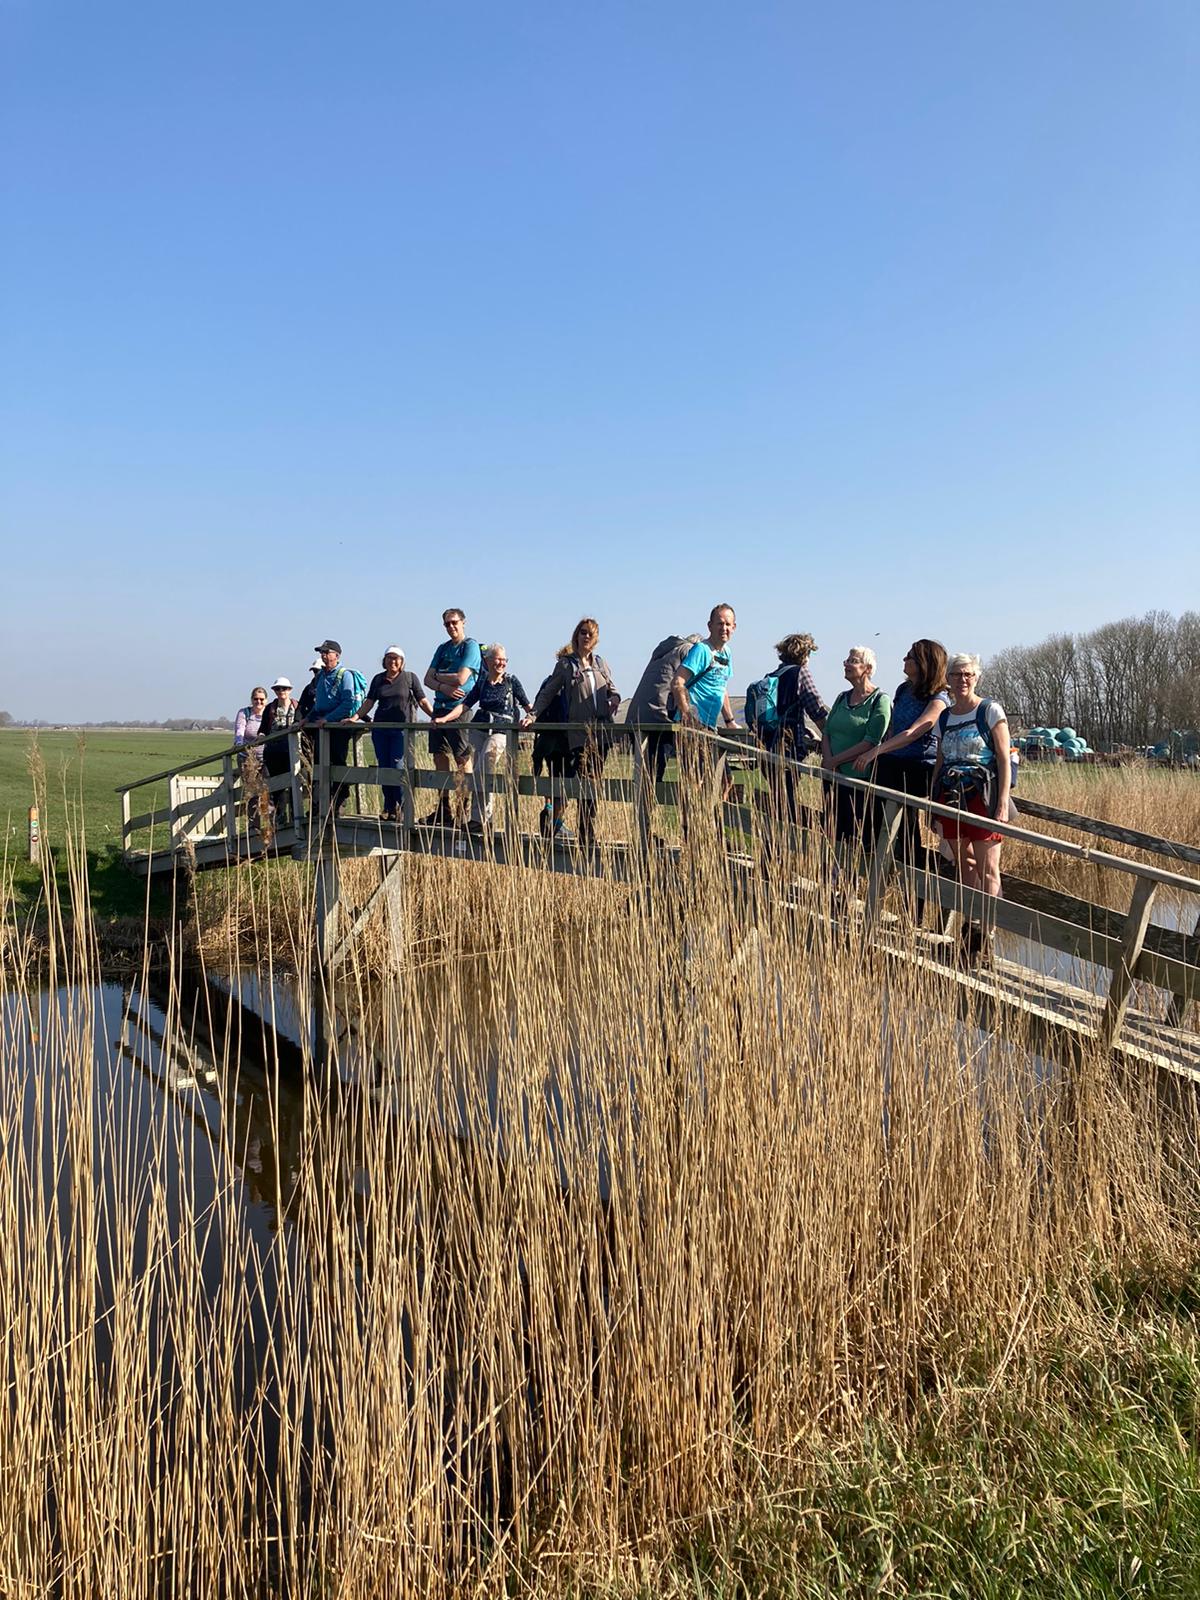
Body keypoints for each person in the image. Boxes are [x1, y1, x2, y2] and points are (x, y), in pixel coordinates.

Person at [852, 639, 950, 902]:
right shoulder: (903, 690)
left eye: (910, 657)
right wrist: (881, 751)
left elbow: (914, 732)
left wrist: (875, 751)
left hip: (917, 767)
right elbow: (895, 729)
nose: (904, 661)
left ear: (924, 663)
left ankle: (914, 902)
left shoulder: (938, 698)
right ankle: (874, 890)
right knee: (877, 827)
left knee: (907, 834)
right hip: (893, 763)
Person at [931, 653, 1011, 912]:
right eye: (956, 674)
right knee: (963, 866)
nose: (962, 679)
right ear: (948, 679)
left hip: (981, 796)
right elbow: (940, 762)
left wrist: (1001, 805)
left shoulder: (989, 711)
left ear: (977, 677)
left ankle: (988, 931)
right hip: (951, 796)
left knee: (988, 868)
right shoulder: (945, 717)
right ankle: (969, 927)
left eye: (968, 674)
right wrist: (933, 803)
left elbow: (1003, 759)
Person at [532, 618, 620, 845]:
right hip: (578, 733)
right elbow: (549, 692)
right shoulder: (566, 664)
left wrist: (615, 698)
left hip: (601, 732)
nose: (587, 637)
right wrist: (532, 715)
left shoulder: (600, 663)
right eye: (583, 632)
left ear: (596, 638)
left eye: (591, 633)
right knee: (584, 782)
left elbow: (612, 688)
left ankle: (585, 832)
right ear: (576, 635)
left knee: (594, 783)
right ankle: (574, 831)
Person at [432, 643, 533, 832]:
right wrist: (445, 718)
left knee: (483, 767)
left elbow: (528, 705)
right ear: (487, 661)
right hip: (480, 731)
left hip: (500, 732)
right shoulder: (483, 682)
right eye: (498, 659)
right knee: (480, 773)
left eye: (504, 660)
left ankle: (482, 819)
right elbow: (466, 705)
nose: (501, 663)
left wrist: (531, 718)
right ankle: (481, 819)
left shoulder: (511, 682)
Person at [670, 605, 739, 837]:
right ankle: (692, 833)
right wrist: (687, 712)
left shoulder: (726, 654)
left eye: (728, 624)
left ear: (735, 627)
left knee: (724, 780)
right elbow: (678, 682)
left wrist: (729, 720)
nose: (724, 628)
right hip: (693, 726)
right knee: (695, 782)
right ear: (709, 626)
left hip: (710, 727)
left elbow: (723, 688)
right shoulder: (702, 650)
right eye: (719, 623)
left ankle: (708, 828)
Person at [821, 646, 891, 854]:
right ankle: (831, 878)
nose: (846, 664)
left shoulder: (880, 700)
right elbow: (827, 731)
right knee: (830, 828)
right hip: (832, 776)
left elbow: (871, 741)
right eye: (847, 660)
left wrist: (835, 761)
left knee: (853, 834)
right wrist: (828, 761)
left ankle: (849, 881)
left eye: (852, 661)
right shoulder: (842, 697)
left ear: (867, 668)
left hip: (858, 780)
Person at [421, 609, 483, 828]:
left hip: (460, 710)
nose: (451, 627)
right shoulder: (442, 648)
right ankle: (443, 808)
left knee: (462, 759)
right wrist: (443, 686)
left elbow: (462, 678)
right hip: (439, 708)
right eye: (446, 624)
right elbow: (426, 679)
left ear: (463, 622)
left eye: (454, 622)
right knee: (439, 757)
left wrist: (438, 677)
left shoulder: (470, 646)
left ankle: (463, 809)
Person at [356, 648, 433, 821]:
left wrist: (435, 717)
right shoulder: (378, 679)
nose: (393, 662)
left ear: (402, 661)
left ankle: (403, 807)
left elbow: (422, 700)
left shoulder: (409, 678)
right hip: (380, 729)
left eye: (397, 658)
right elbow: (369, 702)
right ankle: (389, 807)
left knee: (398, 767)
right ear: (384, 660)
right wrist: (355, 717)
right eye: (390, 658)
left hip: (401, 730)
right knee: (384, 768)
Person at [624, 632, 702, 789]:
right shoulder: (690, 651)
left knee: (645, 773)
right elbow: (686, 686)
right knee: (654, 774)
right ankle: (647, 807)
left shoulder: (664, 653)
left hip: (638, 715)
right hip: (660, 715)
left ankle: (643, 808)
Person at [307, 639, 365, 817]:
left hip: (338, 727)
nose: (323, 656)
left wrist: (328, 719)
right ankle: (320, 806)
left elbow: (347, 704)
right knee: (319, 765)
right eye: (321, 653)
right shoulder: (321, 676)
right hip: (322, 727)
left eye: (326, 652)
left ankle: (339, 803)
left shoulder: (344, 675)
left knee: (337, 763)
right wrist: (307, 719)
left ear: (337, 655)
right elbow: (318, 705)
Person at [260, 677, 301, 827]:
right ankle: (281, 815)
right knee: (277, 784)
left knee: (294, 782)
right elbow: (263, 729)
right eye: (277, 689)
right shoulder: (270, 708)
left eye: (284, 688)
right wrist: (261, 737)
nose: (281, 691)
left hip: (292, 750)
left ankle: (296, 815)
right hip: (273, 751)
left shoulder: (297, 706)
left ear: (289, 690)